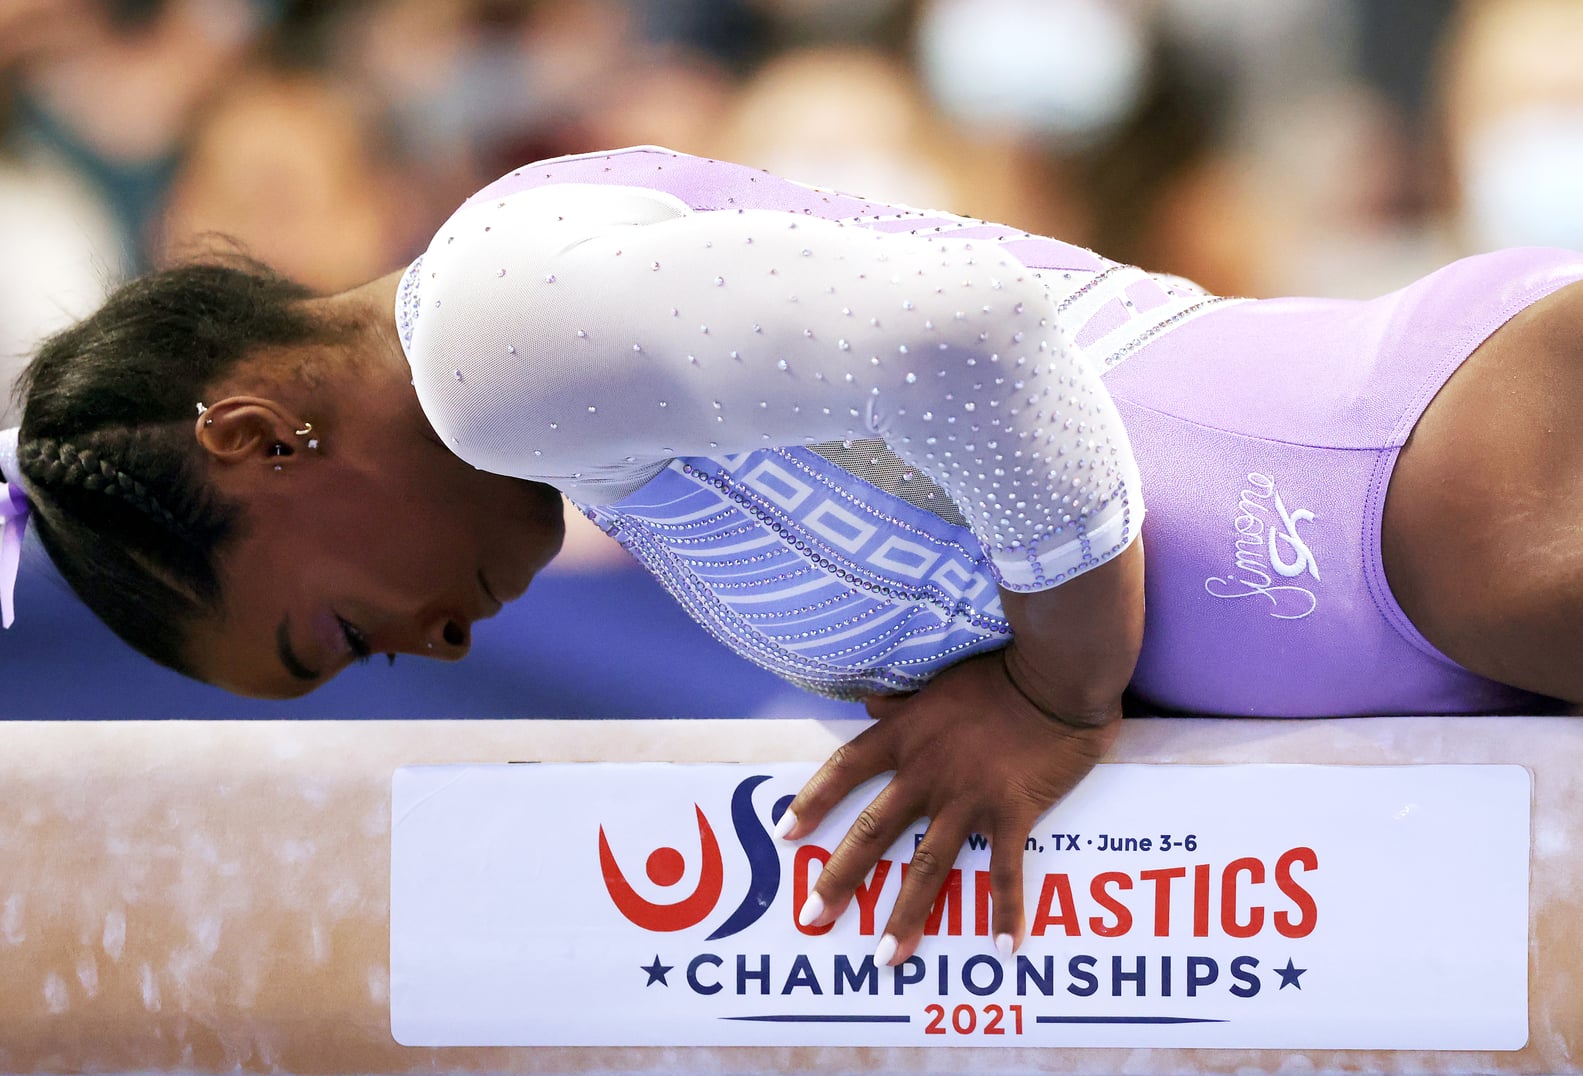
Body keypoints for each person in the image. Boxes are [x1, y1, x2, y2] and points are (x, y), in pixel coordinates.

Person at [4, 146, 1582, 970]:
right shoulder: (536, 371)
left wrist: (1056, 689)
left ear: (260, 440)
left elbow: (978, 339)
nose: (433, 650)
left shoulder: (490, 337)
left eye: (335, 638)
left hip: (1416, 508)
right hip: (1410, 536)